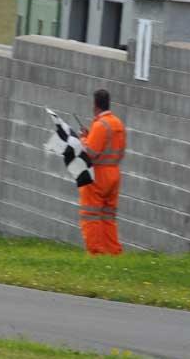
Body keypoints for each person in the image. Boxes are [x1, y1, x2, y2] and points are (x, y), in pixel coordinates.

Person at [78, 89, 126, 255]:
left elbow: (90, 152)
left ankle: (96, 252)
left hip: (98, 176)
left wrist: (83, 139)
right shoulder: (118, 124)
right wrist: (90, 137)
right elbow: (118, 151)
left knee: (90, 214)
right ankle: (113, 251)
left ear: (95, 105)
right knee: (108, 215)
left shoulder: (100, 124)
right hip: (114, 174)